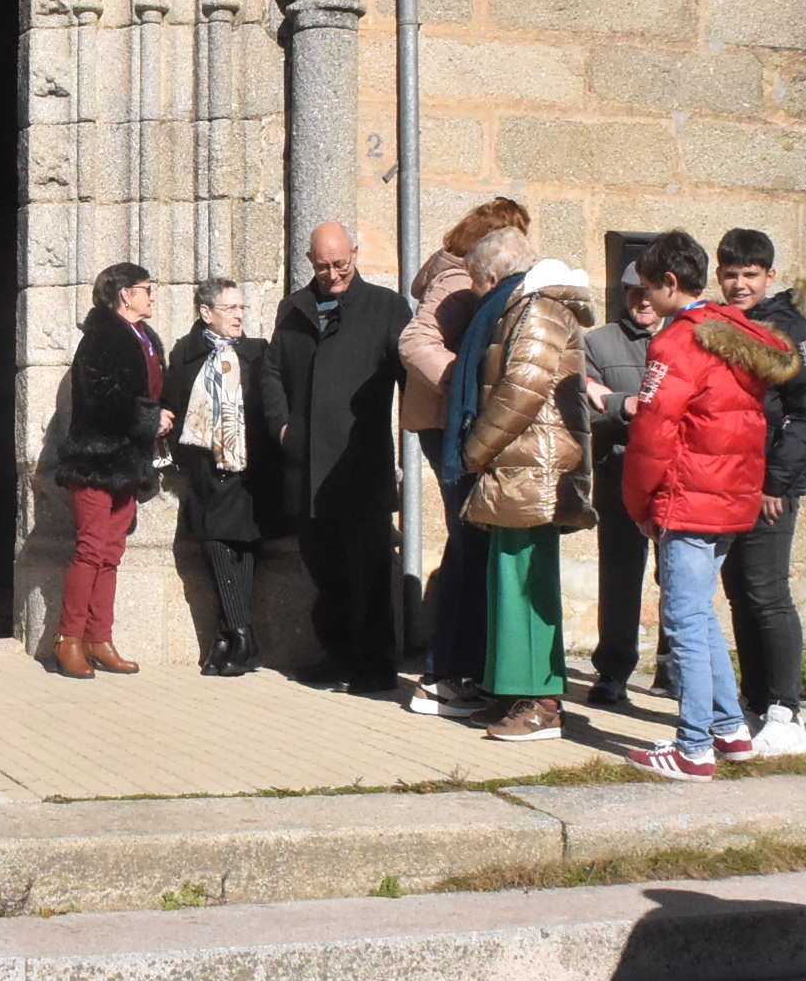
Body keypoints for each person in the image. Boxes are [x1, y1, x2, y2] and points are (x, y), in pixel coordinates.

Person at [615, 229, 796, 780]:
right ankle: (729, 727)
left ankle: (692, 746)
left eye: (649, 289)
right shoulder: (735, 335)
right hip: (728, 494)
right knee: (700, 614)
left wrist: (638, 501)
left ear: (671, 284)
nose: (644, 301)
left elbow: (652, 430)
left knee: (684, 619)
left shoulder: (676, 344)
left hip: (688, 496)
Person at [453, 250, 596, 742]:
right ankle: (518, 695)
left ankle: (542, 703)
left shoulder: (538, 307)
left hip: (531, 464)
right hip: (521, 462)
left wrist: (478, 447)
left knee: (526, 585)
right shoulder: (536, 305)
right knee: (509, 581)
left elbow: (522, 386)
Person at [401, 199, 532, 724]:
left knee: (471, 543)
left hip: (450, 423)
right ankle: (444, 676)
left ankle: (457, 670)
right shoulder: (457, 279)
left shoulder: (454, 272)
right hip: (449, 425)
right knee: (469, 543)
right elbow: (415, 341)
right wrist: (468, 381)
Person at [270, 221, 412, 695]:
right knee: (323, 568)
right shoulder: (294, 309)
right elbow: (271, 373)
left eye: (340, 264)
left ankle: (375, 665)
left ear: (355, 251)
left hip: (360, 463)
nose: (332, 274)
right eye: (322, 266)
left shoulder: (386, 307)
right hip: (307, 465)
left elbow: (409, 372)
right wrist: (282, 424)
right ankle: (337, 654)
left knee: (369, 570)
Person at [714, 228, 806, 755]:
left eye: (750, 275)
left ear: (770, 276)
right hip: (731, 481)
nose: (740, 284)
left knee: (768, 593)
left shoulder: (788, 328)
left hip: (769, 487)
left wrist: (775, 482)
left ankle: (787, 711)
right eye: (731, 274)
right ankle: (756, 701)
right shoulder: (726, 323)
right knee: (740, 591)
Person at [51, 262, 167, 679]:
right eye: (146, 289)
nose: (152, 296)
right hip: (96, 459)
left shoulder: (145, 337)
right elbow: (102, 399)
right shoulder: (100, 337)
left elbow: (148, 390)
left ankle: (99, 638)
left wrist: (156, 420)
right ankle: (69, 639)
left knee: (111, 553)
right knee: (90, 549)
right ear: (124, 294)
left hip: (128, 461)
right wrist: (149, 420)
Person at [163, 277, 284, 676]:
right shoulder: (185, 353)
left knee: (244, 542)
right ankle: (240, 631)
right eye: (230, 308)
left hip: (248, 464)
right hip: (205, 466)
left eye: (241, 308)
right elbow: (175, 402)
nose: (238, 316)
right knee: (214, 537)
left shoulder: (256, 352)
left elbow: (268, 403)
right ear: (206, 313)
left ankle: (228, 639)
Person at [578, 278, 661, 709]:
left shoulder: (687, 337)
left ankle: (674, 667)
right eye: (633, 292)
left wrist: (613, 401)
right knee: (621, 576)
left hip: (674, 474)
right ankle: (612, 671)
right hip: (620, 472)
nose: (643, 301)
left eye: (650, 292)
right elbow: (580, 406)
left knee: (681, 575)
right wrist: (622, 406)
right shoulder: (598, 343)